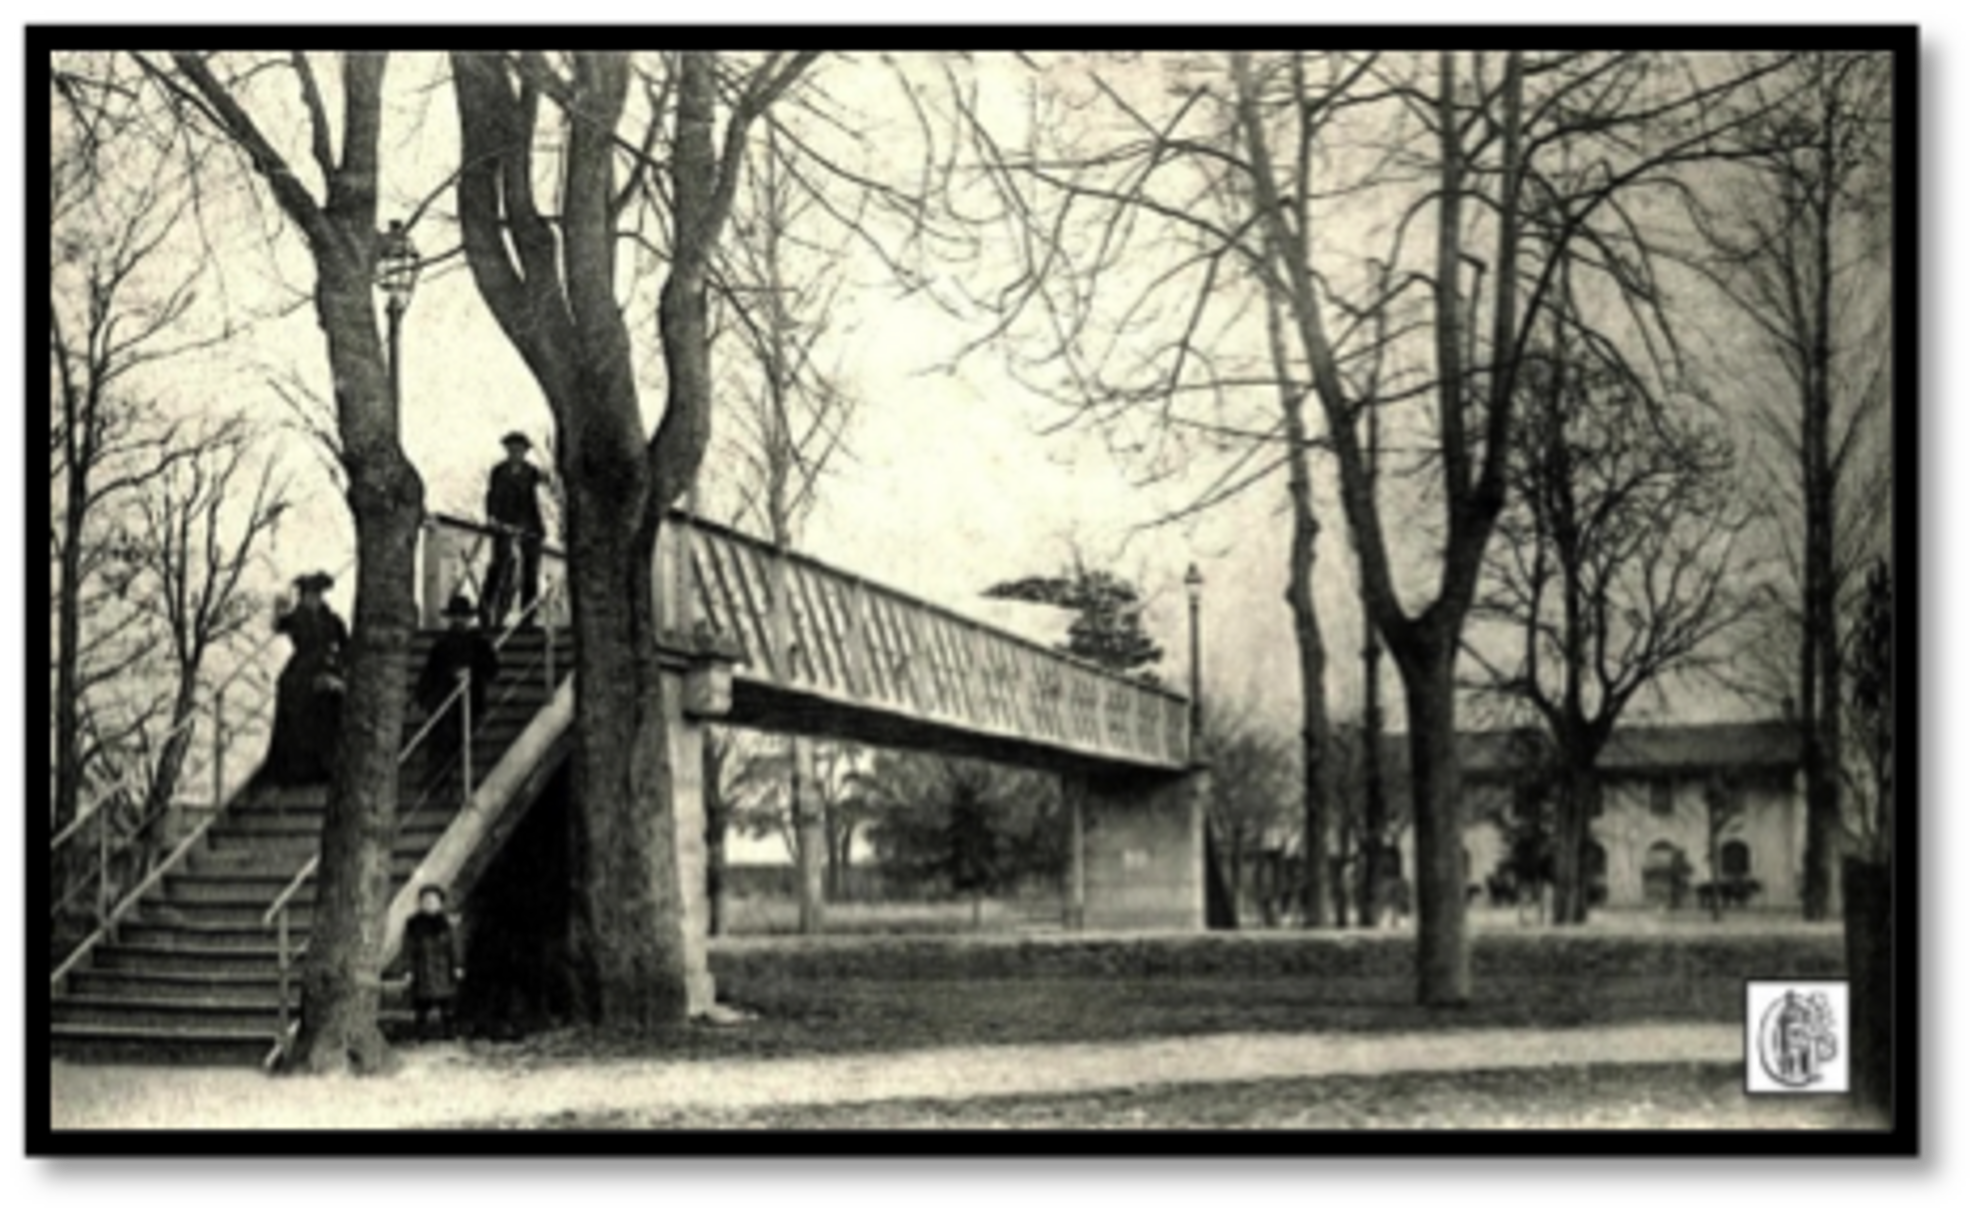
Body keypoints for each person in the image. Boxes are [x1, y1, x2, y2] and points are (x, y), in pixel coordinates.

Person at [258, 571, 349, 787]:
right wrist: (279, 606)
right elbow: (279, 625)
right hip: (301, 670)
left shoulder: (333, 620)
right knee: (294, 698)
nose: (312, 599)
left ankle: (326, 765)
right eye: (308, 595)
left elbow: (346, 646)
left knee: (330, 703)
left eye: (316, 595)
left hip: (328, 667)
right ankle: (297, 768)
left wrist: (340, 669)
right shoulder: (297, 618)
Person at [414, 594, 500, 796]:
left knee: (457, 739)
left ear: (468, 619)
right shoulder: (441, 646)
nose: (458, 621)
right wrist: (424, 697)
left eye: (462, 617)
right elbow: (430, 673)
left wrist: (472, 671)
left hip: (470, 701)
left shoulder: (479, 644)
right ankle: (438, 781)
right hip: (444, 700)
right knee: (442, 737)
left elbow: (492, 669)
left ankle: (442, 782)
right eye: (455, 617)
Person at [483, 431, 546, 631]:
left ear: (525, 452)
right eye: (511, 450)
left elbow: (537, 501)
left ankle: (528, 617)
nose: (515, 453)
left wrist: (531, 527)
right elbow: (491, 496)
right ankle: (488, 611)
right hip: (504, 526)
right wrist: (493, 518)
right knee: (499, 567)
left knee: (530, 572)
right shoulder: (498, 472)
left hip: (530, 528)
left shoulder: (532, 473)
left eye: (519, 450)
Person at [400, 884, 463, 1042]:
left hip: (443, 970)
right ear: (420, 903)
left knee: (447, 1004)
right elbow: (407, 948)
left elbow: (455, 946)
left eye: (433, 901)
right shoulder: (413, 924)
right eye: (426, 901)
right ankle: (421, 1035)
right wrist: (408, 969)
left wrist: (458, 965)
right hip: (422, 969)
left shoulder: (447, 924)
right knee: (421, 1005)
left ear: (440, 904)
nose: (429, 904)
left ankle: (450, 1034)